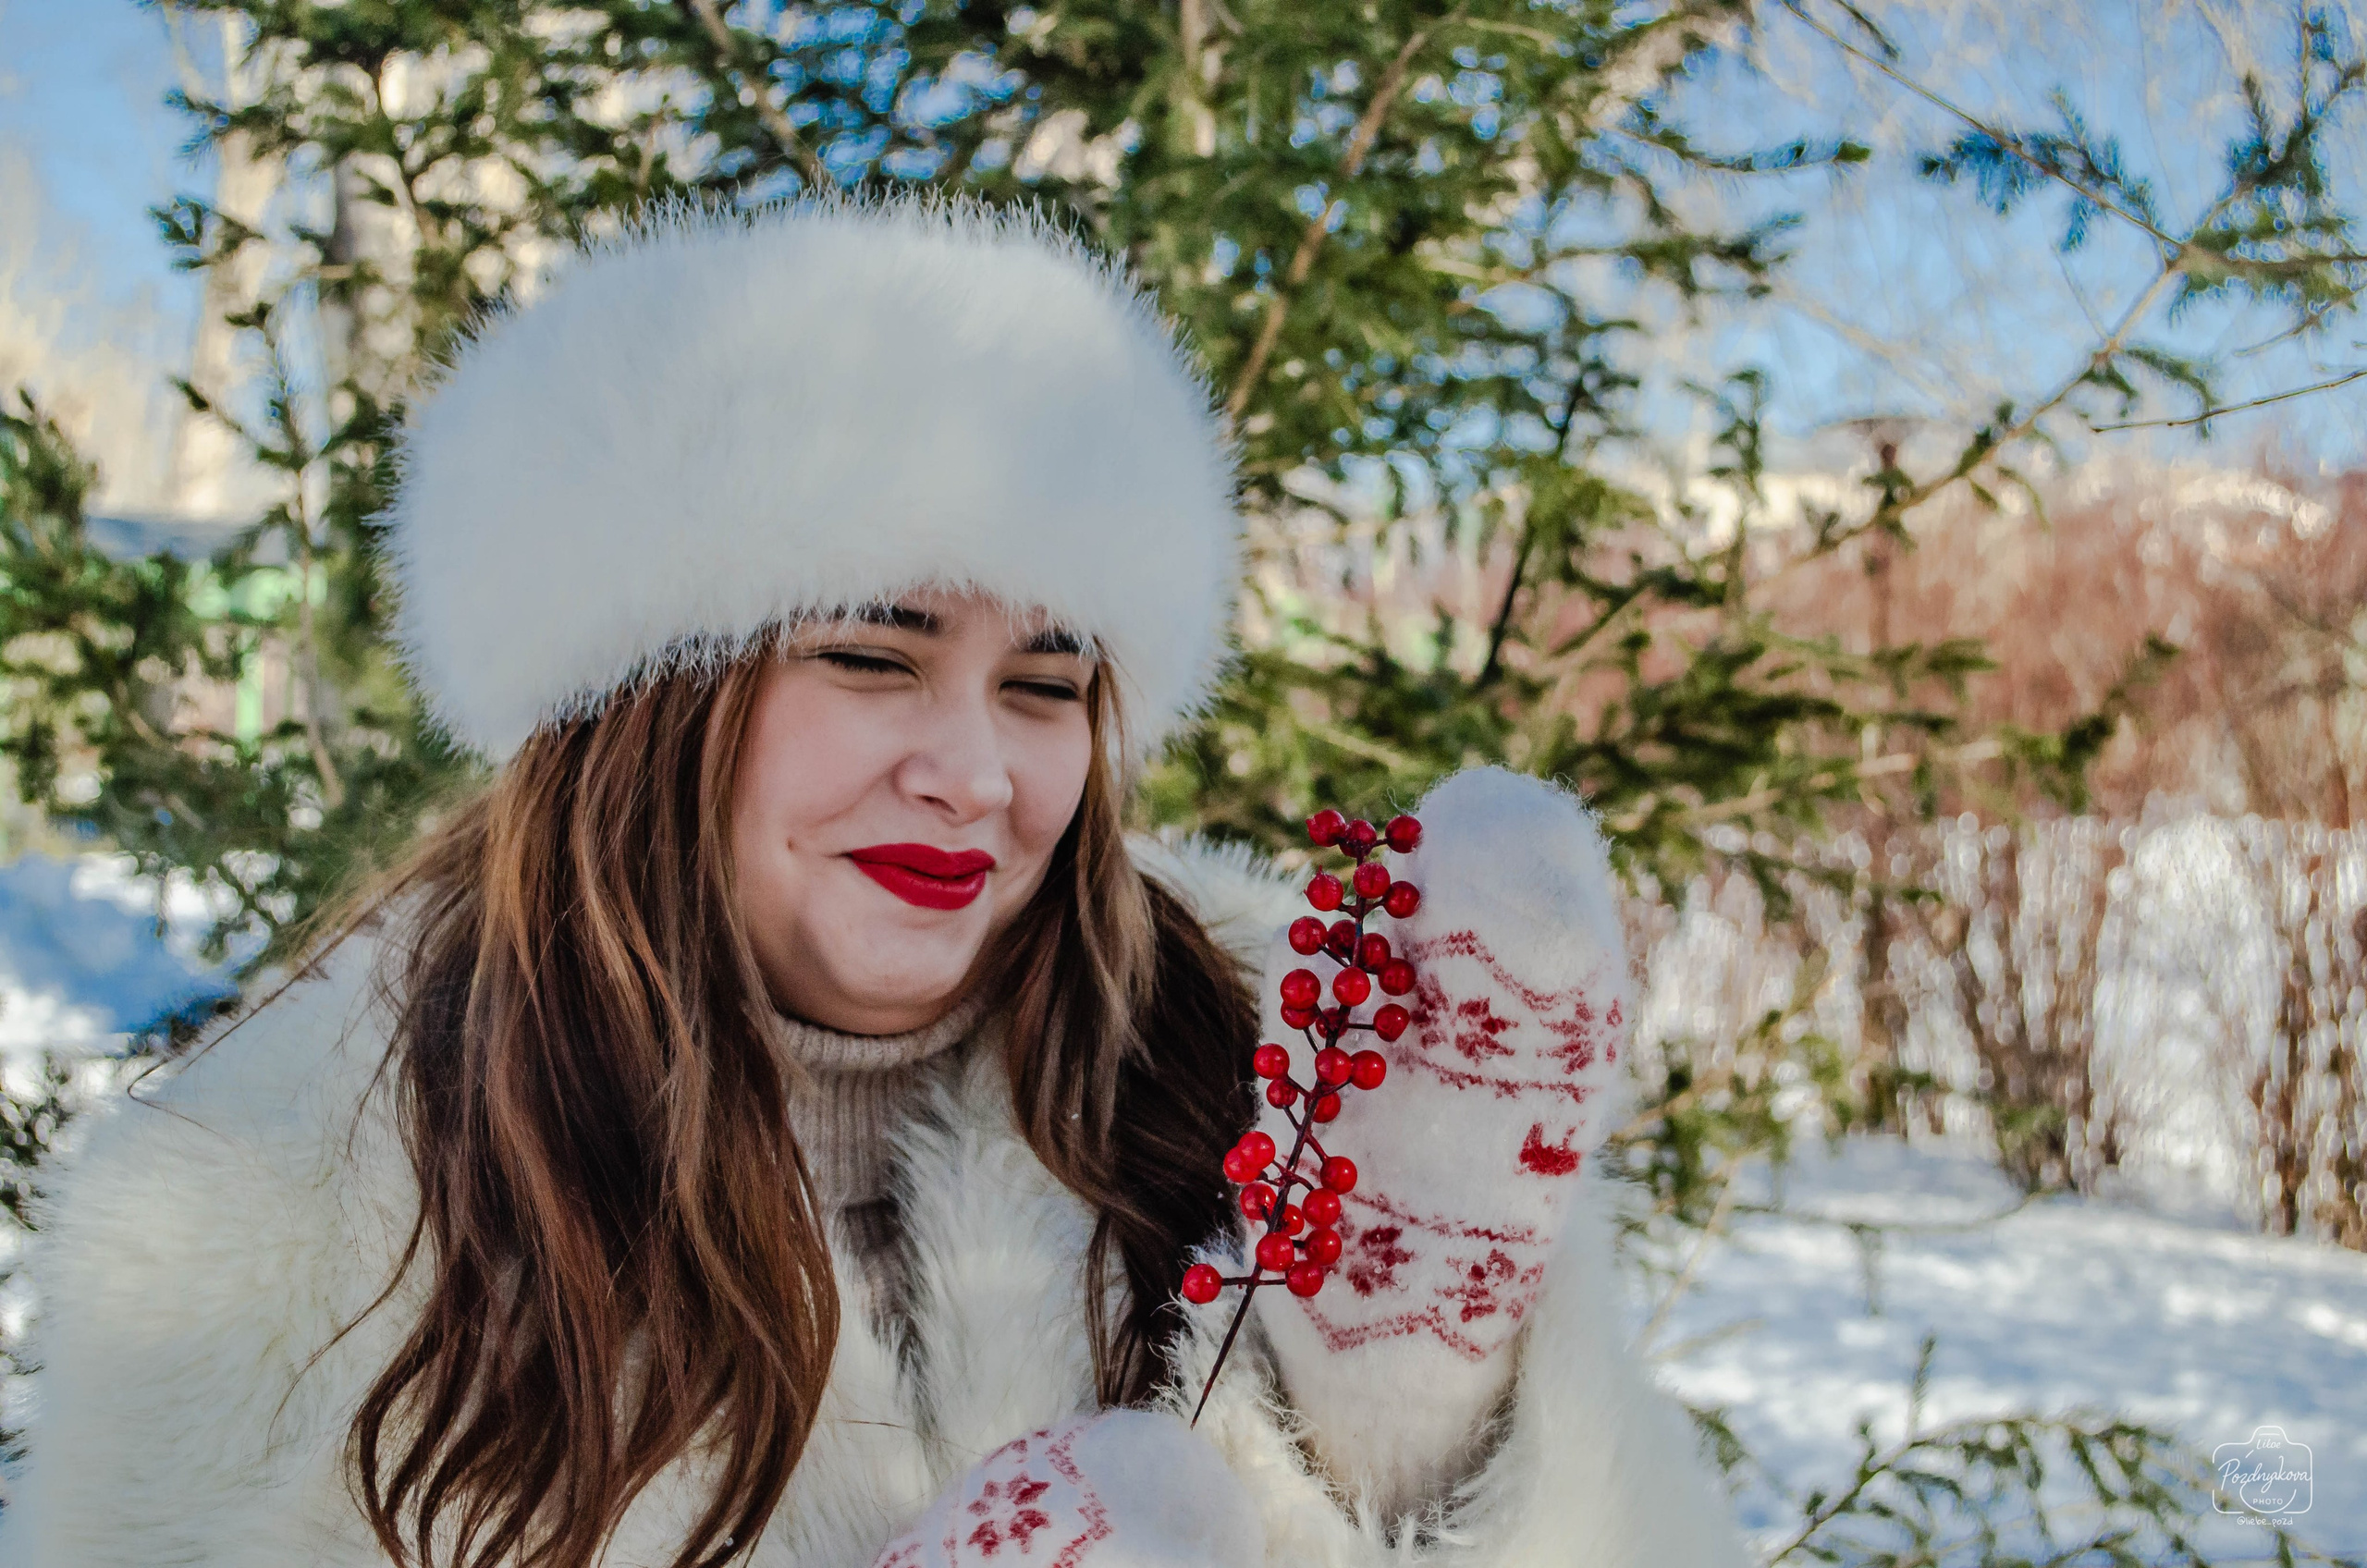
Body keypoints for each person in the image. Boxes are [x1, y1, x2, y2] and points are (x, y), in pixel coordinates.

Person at [0, 198, 1749, 1568]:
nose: (977, 770)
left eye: (1048, 683)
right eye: (872, 654)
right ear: (647, 697)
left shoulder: (1288, 1072)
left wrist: (1416, 1448)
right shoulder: (282, 1205)